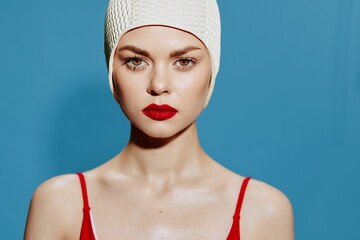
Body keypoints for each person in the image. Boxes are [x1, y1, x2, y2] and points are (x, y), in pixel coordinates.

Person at [24, 0, 294, 239]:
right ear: (112, 71)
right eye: (136, 61)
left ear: (213, 69)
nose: (159, 85)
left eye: (184, 62)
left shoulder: (262, 211)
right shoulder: (59, 205)